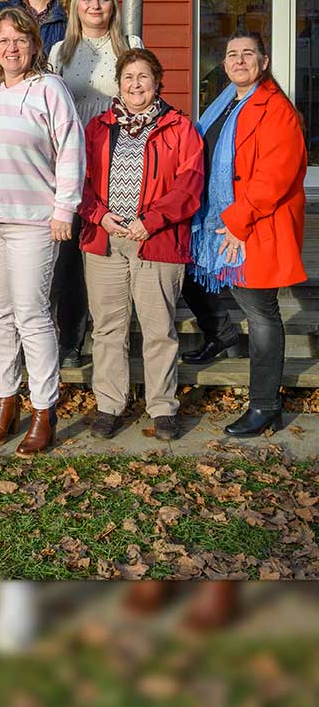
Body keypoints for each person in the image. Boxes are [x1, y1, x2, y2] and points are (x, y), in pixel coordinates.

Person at [0, 7, 84, 455]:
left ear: (35, 44)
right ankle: (4, 400)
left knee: (32, 315)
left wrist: (65, 210)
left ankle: (43, 408)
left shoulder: (49, 89)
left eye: (19, 39)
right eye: (2, 41)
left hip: (35, 220)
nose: (11, 48)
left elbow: (71, 149)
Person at [79, 49, 204, 441]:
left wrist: (149, 222)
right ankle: (109, 405)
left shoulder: (179, 127)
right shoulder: (97, 127)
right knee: (108, 329)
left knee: (159, 329)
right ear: (119, 82)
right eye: (129, 77)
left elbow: (190, 185)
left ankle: (163, 407)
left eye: (143, 77)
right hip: (106, 241)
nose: (135, 84)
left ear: (157, 82)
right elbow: (75, 180)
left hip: (157, 241)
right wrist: (99, 215)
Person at [189, 31, 307, 437]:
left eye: (248, 54)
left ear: (265, 60)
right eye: (231, 54)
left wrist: (238, 222)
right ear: (223, 64)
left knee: (260, 313)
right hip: (218, 221)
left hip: (256, 223)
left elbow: (275, 175)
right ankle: (221, 335)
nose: (239, 60)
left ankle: (265, 405)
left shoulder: (276, 109)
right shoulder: (225, 103)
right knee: (189, 275)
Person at [48, 0, 144, 368]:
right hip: (72, 157)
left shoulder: (130, 46)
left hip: (117, 156)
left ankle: (118, 336)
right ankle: (70, 338)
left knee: (113, 246)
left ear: (113, 6)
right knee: (70, 253)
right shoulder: (60, 51)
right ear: (76, 6)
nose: (95, 6)